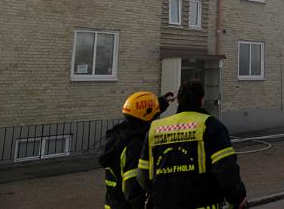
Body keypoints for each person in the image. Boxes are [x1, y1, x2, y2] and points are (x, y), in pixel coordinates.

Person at [137, 80, 248, 209]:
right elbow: (226, 171)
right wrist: (238, 198)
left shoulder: (154, 129)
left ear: (178, 100)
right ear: (201, 100)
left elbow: (142, 176)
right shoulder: (211, 126)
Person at [99, 91, 173, 209]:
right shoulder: (136, 145)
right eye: (155, 116)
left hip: (114, 203)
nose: (155, 120)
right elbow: (133, 189)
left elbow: (144, 111)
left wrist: (163, 101)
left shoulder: (119, 136)